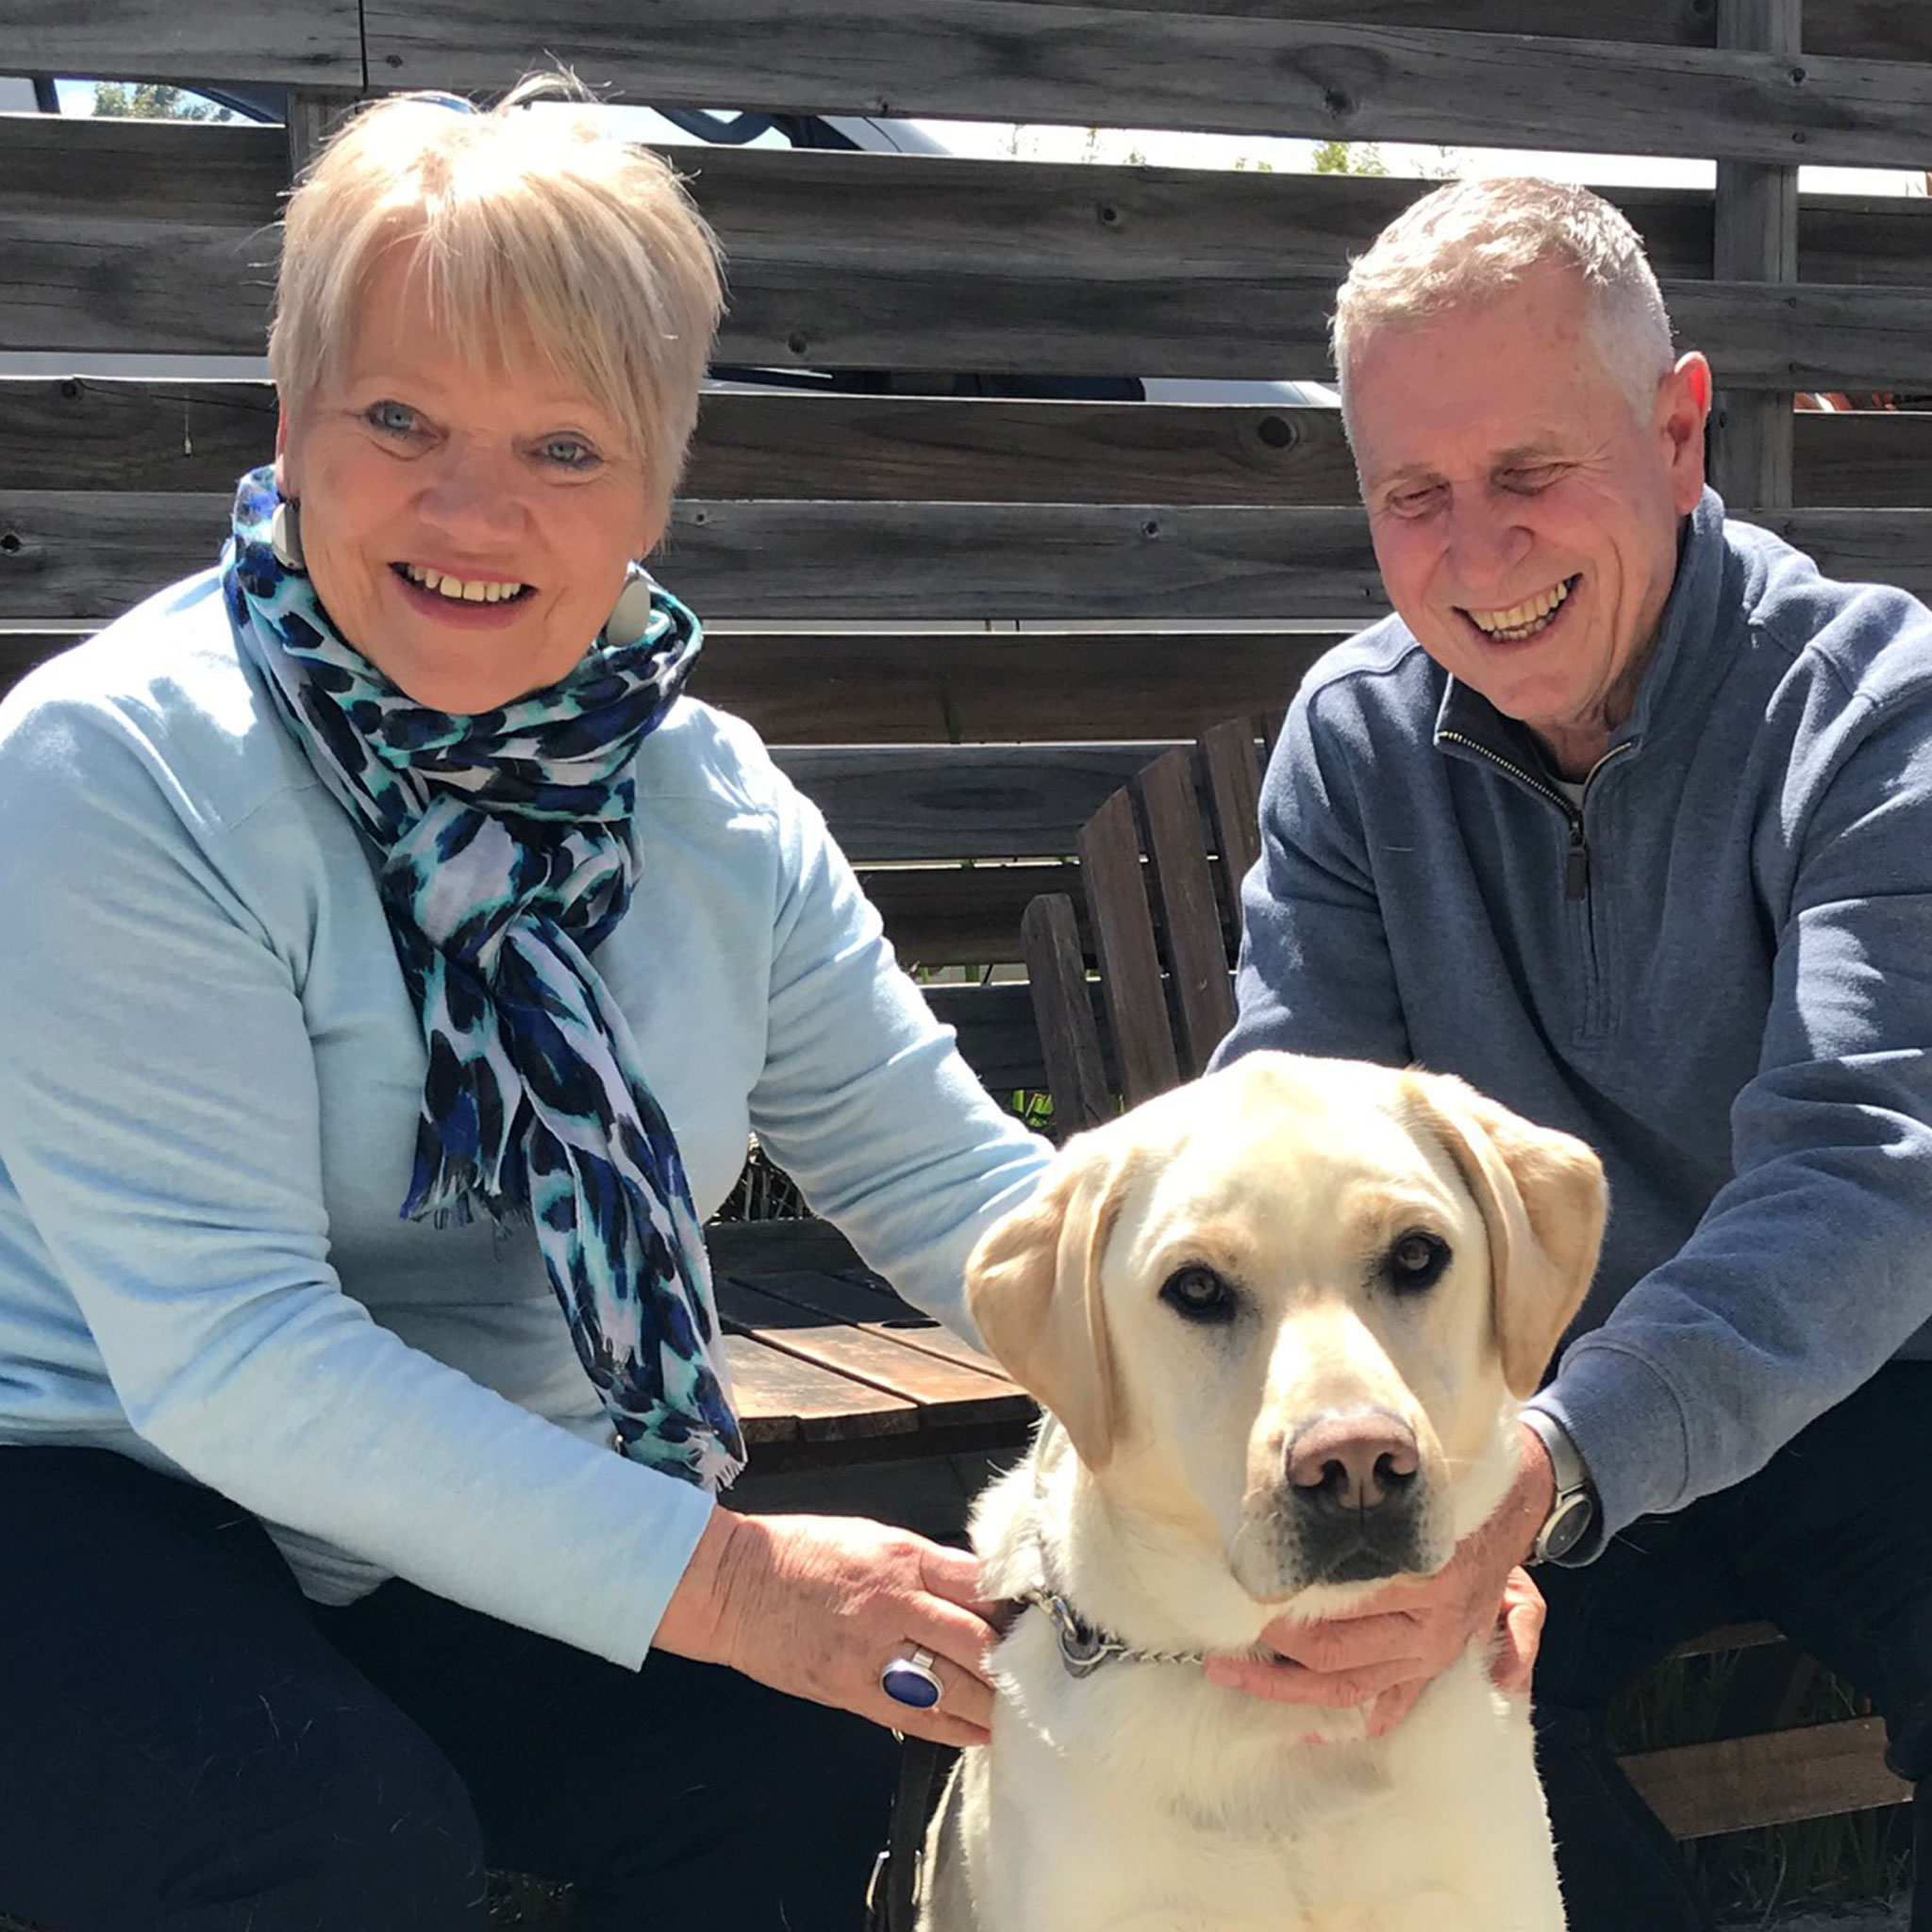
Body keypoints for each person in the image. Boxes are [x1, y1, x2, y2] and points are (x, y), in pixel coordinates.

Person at [0, 78, 1053, 1932]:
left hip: (442, 1512)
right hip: (76, 1478)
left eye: (563, 447)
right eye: (400, 416)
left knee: (776, 1760)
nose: (471, 507)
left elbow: (970, 1199)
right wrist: (734, 1583)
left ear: (656, 482)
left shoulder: (711, 813)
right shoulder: (114, 772)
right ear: (291, 425)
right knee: (325, 1831)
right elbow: (231, 1352)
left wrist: (1288, 1430)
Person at [1205, 175, 1932, 1929]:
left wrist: (1557, 1459)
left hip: (1876, 1384)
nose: (1475, 554)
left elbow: (1866, 1175)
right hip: (1499, 1412)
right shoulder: (1352, 744)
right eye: (1415, 498)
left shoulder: (1877, 704)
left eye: (1530, 475)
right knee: (1329, 1709)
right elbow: (1286, 1155)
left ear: (1680, 433)